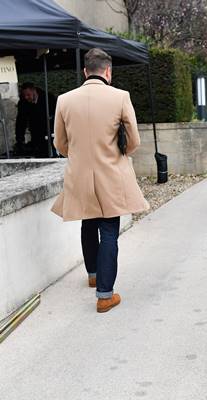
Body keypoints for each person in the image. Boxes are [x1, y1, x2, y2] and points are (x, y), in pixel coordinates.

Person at [51, 48, 149, 313]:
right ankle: (105, 295)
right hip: (111, 174)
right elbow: (134, 140)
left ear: (85, 71)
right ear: (108, 71)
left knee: (87, 222)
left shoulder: (64, 100)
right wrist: (118, 154)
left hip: (79, 174)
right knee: (109, 231)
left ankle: (93, 273)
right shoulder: (120, 96)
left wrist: (80, 156)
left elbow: (60, 143)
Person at [14, 82, 57, 157]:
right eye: (25, 95)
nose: (26, 97)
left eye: (28, 95)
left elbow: (56, 114)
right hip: (36, 133)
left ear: (34, 91)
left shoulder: (48, 98)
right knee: (40, 154)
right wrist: (20, 140)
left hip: (50, 131)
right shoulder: (23, 103)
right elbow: (21, 122)